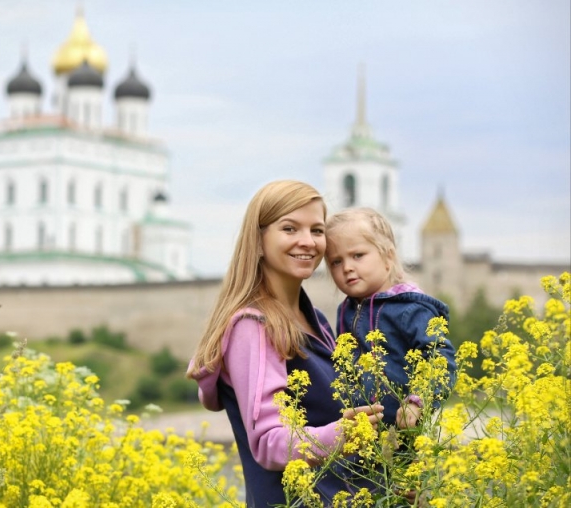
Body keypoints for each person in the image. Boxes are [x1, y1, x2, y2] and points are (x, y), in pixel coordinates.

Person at [187, 180, 384, 507]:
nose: (308, 241)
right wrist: (342, 435)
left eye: (317, 230)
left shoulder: (317, 321)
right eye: (290, 228)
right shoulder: (253, 327)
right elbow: (268, 442)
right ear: (258, 240)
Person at [324, 207, 457, 430]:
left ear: (389, 257)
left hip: (402, 431)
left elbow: (440, 359)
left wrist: (417, 402)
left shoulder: (411, 309)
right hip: (360, 432)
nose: (347, 267)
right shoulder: (346, 310)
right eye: (336, 261)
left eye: (358, 255)